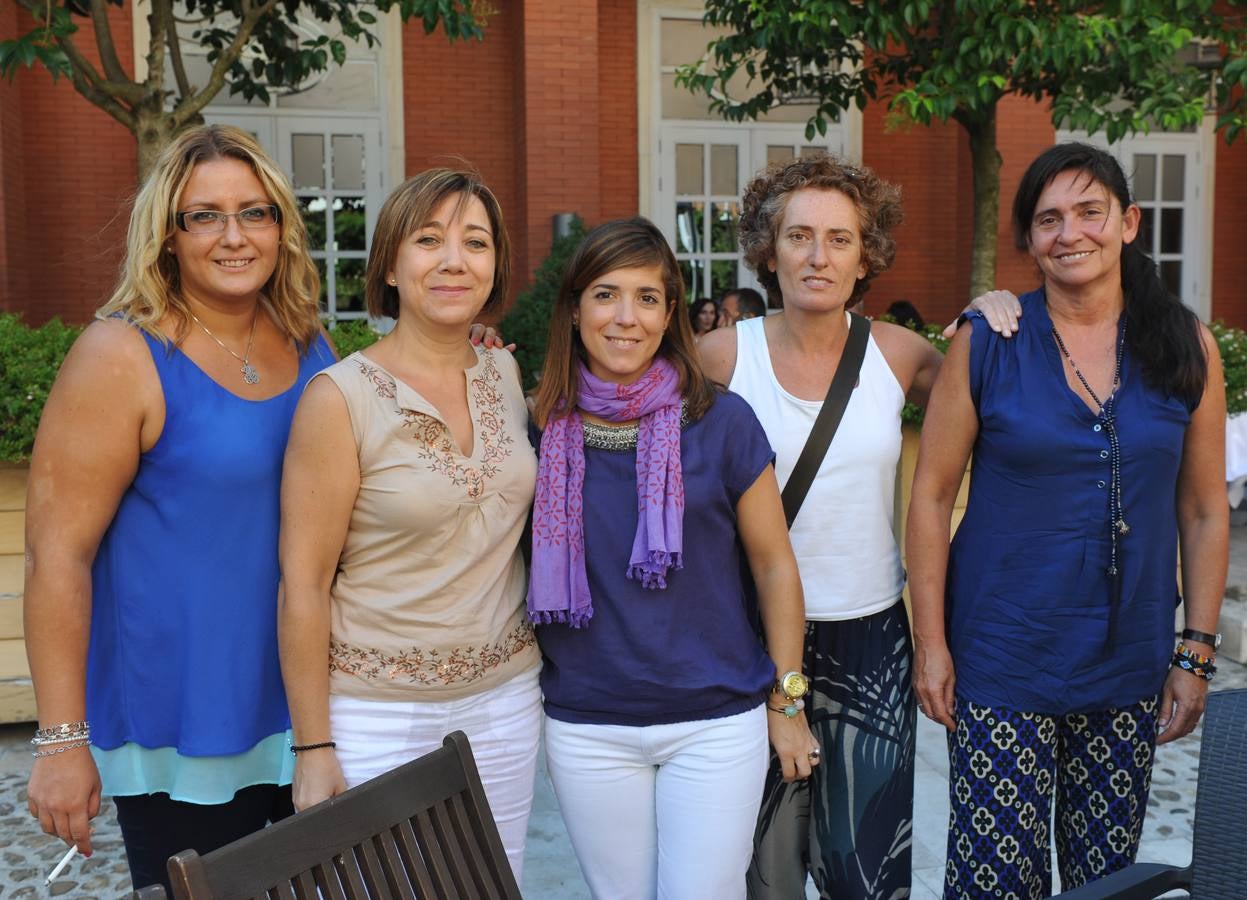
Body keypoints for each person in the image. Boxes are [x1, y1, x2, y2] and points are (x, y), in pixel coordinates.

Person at [906, 142, 1227, 899]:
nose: (1068, 233)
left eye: (1088, 211)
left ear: (1127, 223)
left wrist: (1197, 651)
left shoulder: (1184, 347)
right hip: (1002, 656)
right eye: (1047, 219)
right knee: (993, 881)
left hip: (1127, 659)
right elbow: (928, 495)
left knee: (1106, 882)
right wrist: (931, 646)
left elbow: (1205, 509)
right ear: (1027, 240)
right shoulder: (987, 340)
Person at [23, 124, 335, 892]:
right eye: (206, 215)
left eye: (255, 213)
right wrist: (62, 743)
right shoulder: (120, 354)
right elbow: (56, 555)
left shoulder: (308, 340)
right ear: (168, 234)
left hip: (306, 709)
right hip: (182, 726)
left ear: (281, 228)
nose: (235, 236)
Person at [529, 217, 816, 900]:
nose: (625, 317)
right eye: (605, 295)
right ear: (573, 310)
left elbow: (775, 567)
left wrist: (787, 701)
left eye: (647, 298)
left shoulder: (722, 421)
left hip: (714, 722)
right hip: (588, 722)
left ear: (669, 314)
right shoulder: (538, 424)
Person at [278, 168, 542, 880]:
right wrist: (313, 748)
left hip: (506, 699)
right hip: (377, 715)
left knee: (496, 880)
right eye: (429, 240)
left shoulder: (504, 376)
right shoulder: (339, 398)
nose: (454, 260)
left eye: (475, 242)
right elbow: (302, 583)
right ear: (390, 265)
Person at [699, 154, 942, 900]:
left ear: (865, 255)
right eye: (798, 236)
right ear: (766, 250)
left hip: (868, 641)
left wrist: (1000, 312)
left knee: (863, 870)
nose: (817, 255)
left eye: (839, 239)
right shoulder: (716, 358)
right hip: (747, 642)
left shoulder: (900, 356)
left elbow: (1002, 396)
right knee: (760, 870)